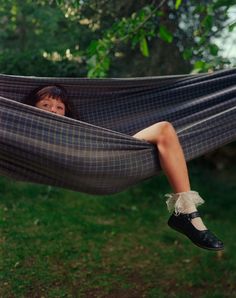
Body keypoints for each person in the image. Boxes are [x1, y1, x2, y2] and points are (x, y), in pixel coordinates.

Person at [25, 85, 224, 251]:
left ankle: (187, 210)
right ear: (30, 108)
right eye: (46, 105)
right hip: (85, 164)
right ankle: (187, 217)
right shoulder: (23, 129)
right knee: (163, 130)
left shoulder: (74, 128)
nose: (53, 110)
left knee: (164, 130)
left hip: (106, 157)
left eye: (59, 107)